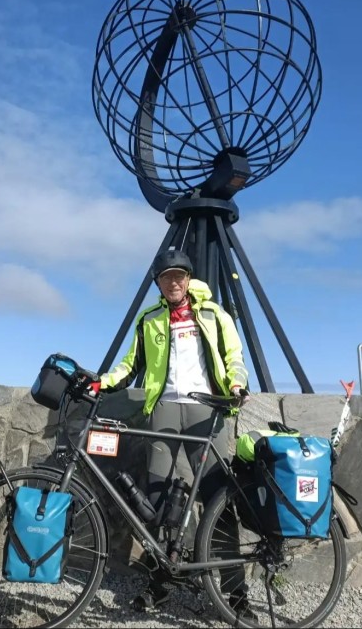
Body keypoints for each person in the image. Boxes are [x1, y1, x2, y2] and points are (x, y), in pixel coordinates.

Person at [99, 248, 252, 618]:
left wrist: (236, 383)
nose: (173, 283)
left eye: (179, 276)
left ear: (188, 279)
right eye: (166, 277)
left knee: (218, 501)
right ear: (158, 283)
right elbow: (130, 364)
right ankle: (161, 585)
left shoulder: (214, 314)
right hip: (165, 410)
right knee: (157, 501)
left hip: (206, 409)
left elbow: (234, 357)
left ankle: (236, 594)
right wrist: (102, 382)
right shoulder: (149, 319)